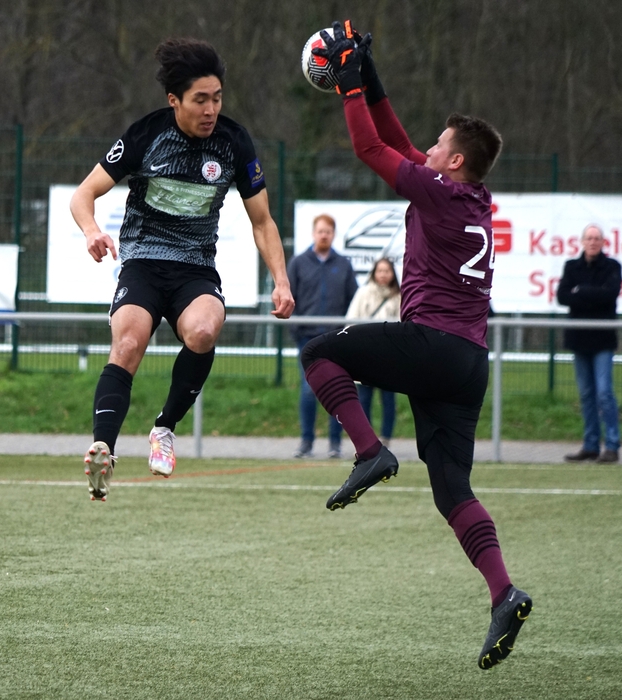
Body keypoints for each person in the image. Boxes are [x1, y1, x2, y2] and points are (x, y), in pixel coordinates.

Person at [304, 21, 531, 670]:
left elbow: (370, 148)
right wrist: (369, 72)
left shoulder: (440, 193)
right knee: (452, 489)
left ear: (454, 161)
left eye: (440, 144)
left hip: (433, 344)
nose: (427, 147)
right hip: (468, 364)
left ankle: (369, 451)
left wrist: (349, 82)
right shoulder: (472, 198)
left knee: (318, 351)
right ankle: (504, 593)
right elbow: (399, 142)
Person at [69, 38, 294, 501]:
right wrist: (91, 230)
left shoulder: (233, 142)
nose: (211, 109)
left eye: (217, 98)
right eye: (200, 99)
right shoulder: (145, 134)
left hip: (195, 268)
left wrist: (281, 280)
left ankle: (164, 428)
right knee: (128, 343)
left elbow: (262, 221)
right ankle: (103, 451)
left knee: (204, 331)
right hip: (143, 263)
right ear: (175, 100)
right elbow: (83, 194)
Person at [287, 214, 358, 459]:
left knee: (337, 389)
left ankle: (335, 444)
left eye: (328, 231)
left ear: (333, 234)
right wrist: (297, 330)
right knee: (309, 390)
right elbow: (289, 298)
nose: (324, 235)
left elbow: (353, 300)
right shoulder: (298, 263)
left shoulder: (344, 264)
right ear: (313, 233)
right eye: (320, 231)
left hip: (335, 340)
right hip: (307, 339)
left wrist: (346, 333)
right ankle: (306, 442)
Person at [557, 224, 622, 463]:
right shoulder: (571, 266)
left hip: (603, 340)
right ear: (582, 241)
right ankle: (591, 445)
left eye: (597, 238)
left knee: (604, 393)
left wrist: (581, 291)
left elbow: (610, 295)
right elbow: (562, 296)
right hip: (579, 339)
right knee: (586, 395)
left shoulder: (612, 267)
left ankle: (612, 445)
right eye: (589, 238)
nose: (593, 242)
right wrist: (593, 294)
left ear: (603, 242)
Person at [346, 257, 401, 446]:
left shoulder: (399, 296)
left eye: (387, 271)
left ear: (392, 273)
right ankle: (367, 439)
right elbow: (351, 319)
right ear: (374, 273)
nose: (383, 274)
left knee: (388, 399)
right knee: (363, 400)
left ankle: (386, 438)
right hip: (365, 356)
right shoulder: (363, 293)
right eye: (380, 270)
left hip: (389, 358)